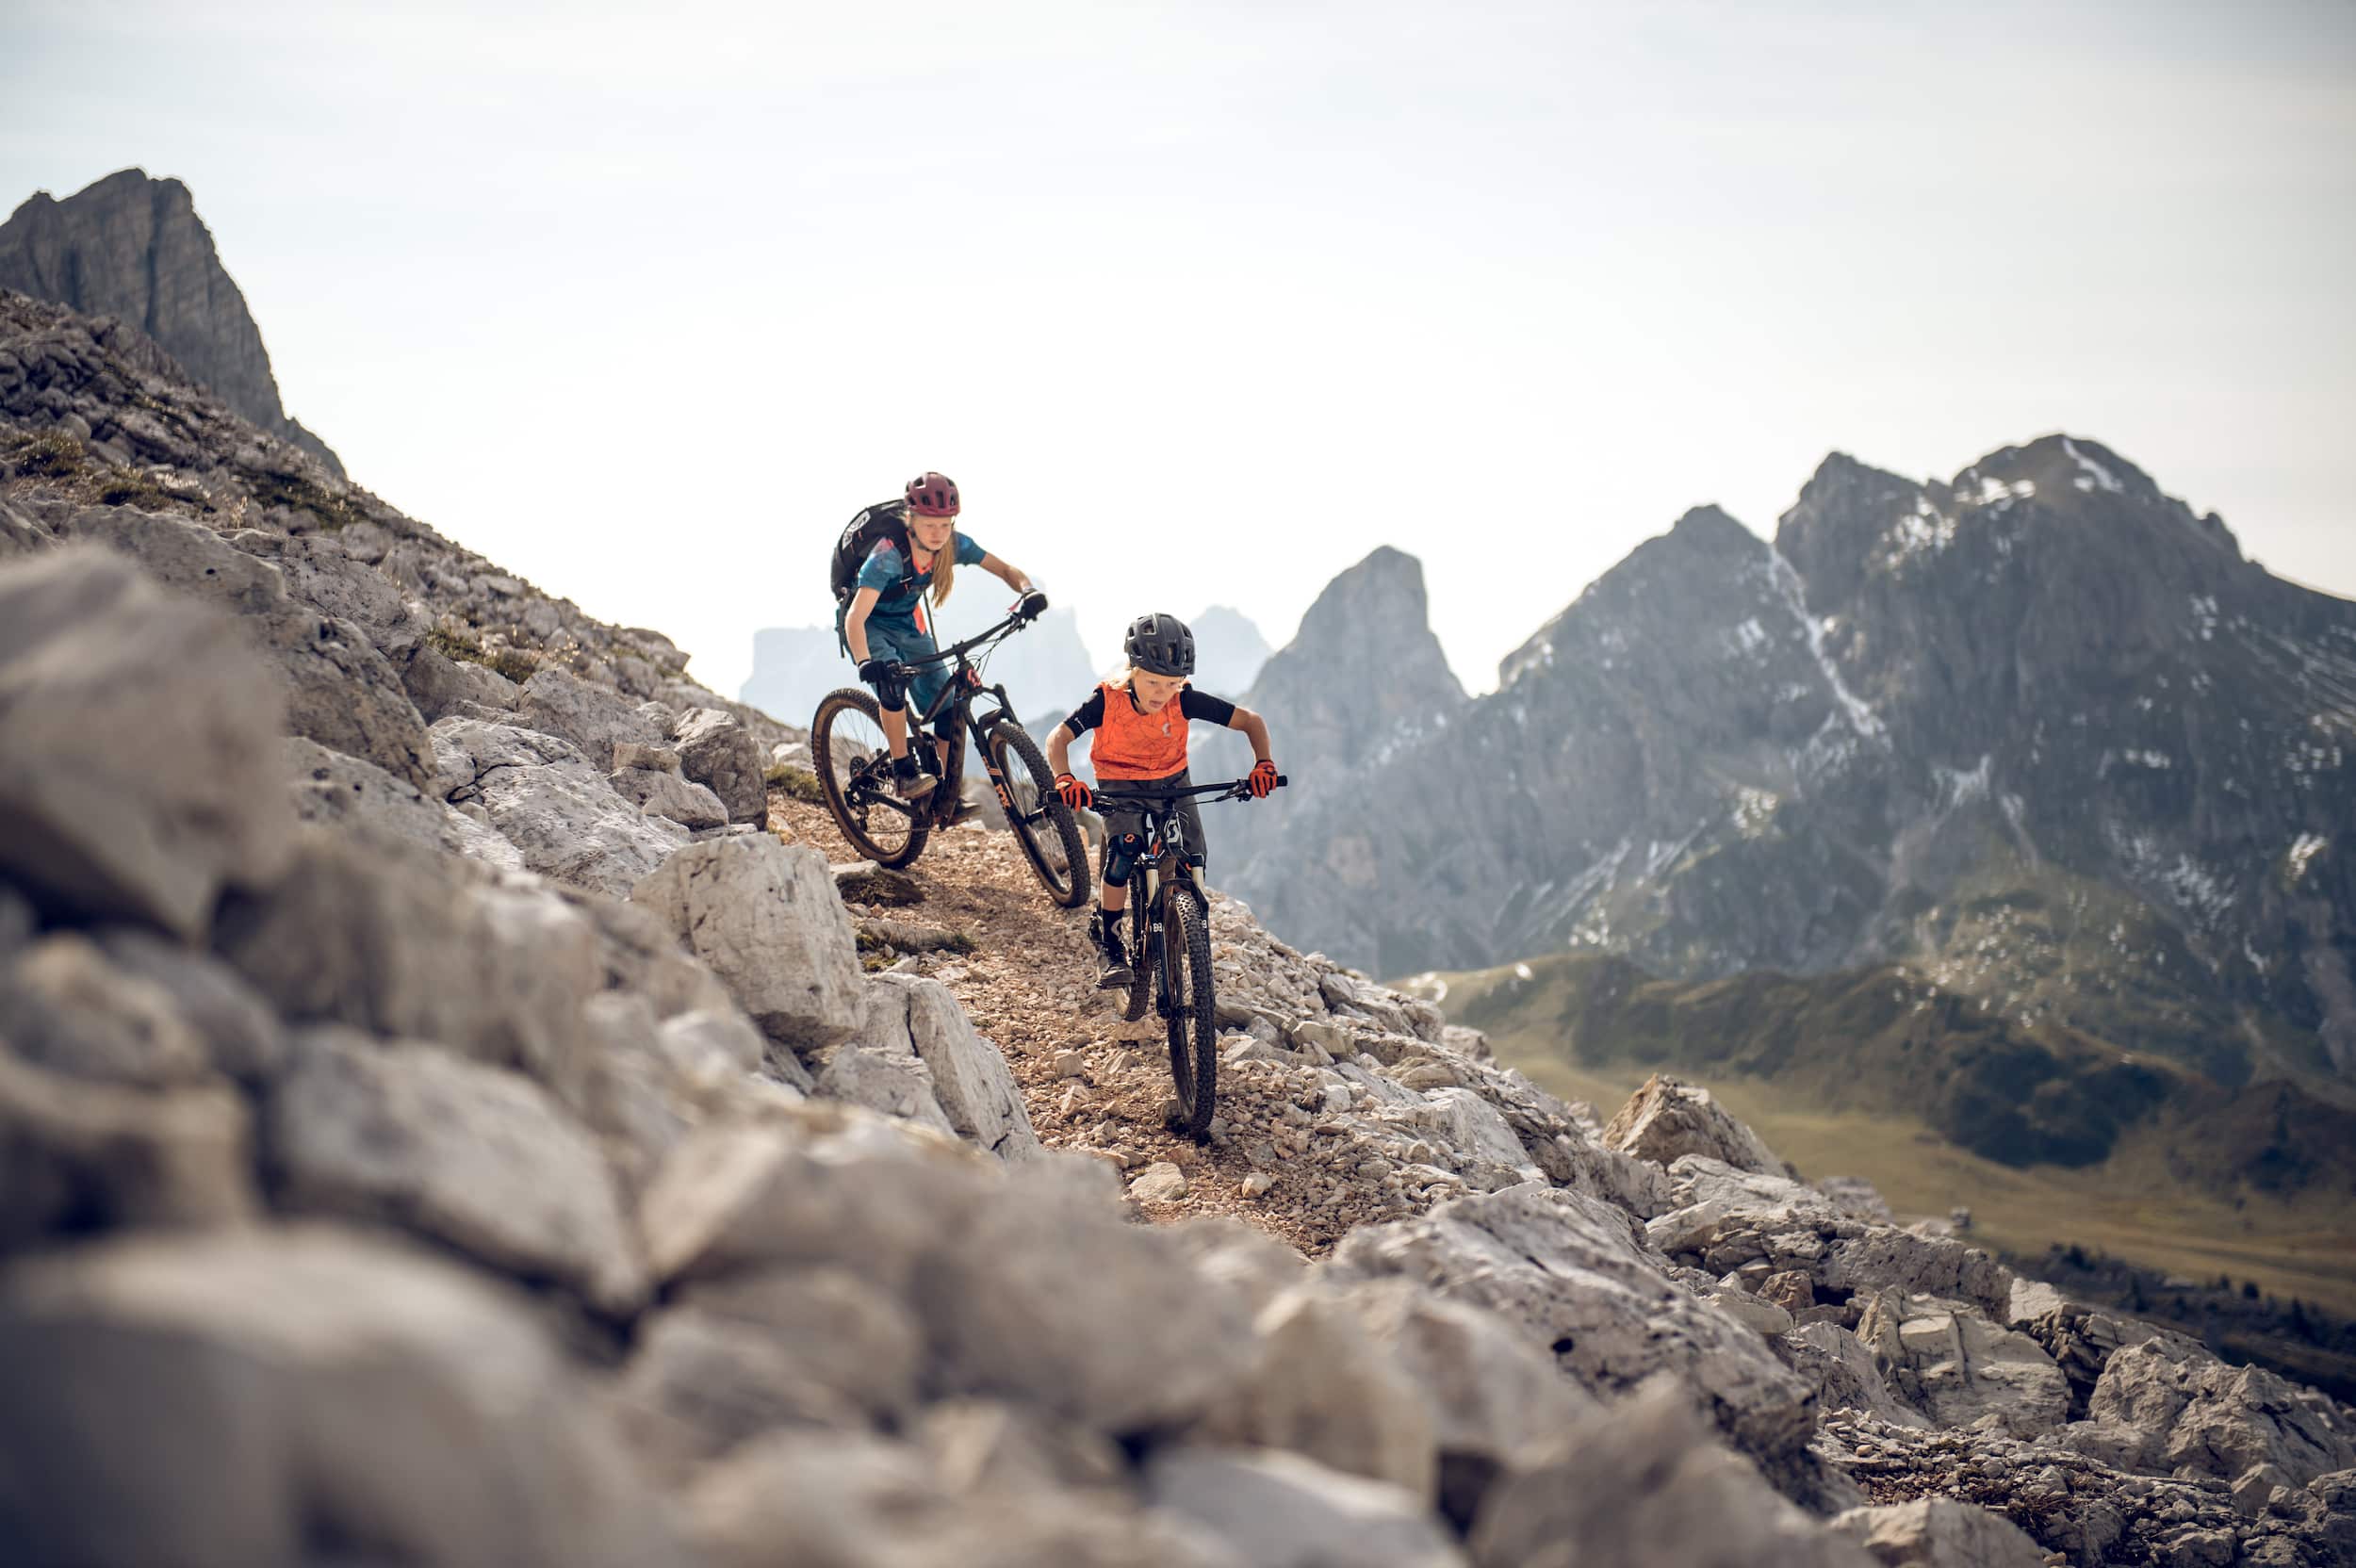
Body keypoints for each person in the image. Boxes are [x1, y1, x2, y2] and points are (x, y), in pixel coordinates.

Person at [1046, 612, 1278, 987]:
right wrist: (1064, 777)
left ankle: (1187, 928)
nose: (1161, 692)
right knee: (1124, 851)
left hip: (1172, 781)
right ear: (1132, 670)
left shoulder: (1183, 701)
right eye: (1152, 681)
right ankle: (1109, 941)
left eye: (1172, 683)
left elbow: (1251, 721)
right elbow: (1058, 738)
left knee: (1192, 854)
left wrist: (1263, 763)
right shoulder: (1107, 701)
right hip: (1120, 782)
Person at [842, 471, 1043, 812]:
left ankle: (944, 795)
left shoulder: (954, 545)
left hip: (907, 625)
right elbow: (855, 618)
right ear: (911, 521)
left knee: (949, 708)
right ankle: (905, 773)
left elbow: (1007, 570)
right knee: (892, 688)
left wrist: (1028, 591)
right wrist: (866, 662)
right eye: (929, 525)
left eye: (945, 525)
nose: (938, 533)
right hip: (870, 626)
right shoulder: (887, 557)